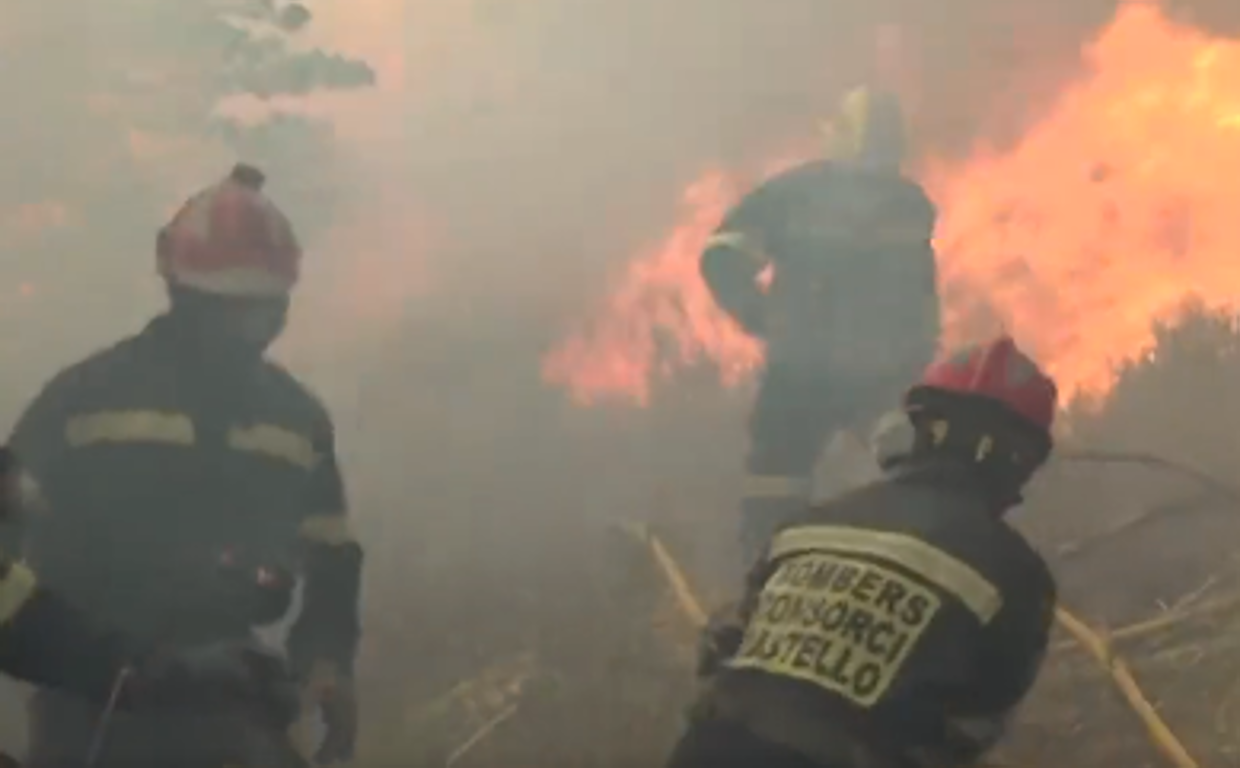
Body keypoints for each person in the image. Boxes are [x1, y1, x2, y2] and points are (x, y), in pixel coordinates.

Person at [10, 164, 362, 768]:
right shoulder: (82, 399)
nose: (249, 326)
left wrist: (326, 663)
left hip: (231, 702)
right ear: (184, 294)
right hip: (97, 695)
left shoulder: (296, 418)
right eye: (230, 305)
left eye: (262, 306)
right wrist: (102, 655)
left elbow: (331, 554)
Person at [672, 336, 1059, 768]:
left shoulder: (807, 525)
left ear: (910, 430)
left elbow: (726, 645)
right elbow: (972, 724)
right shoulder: (1016, 574)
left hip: (709, 748)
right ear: (1019, 464)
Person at [700, 85, 941, 561]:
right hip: (815, 375)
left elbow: (920, 290)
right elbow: (723, 255)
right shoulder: (799, 195)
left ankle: (883, 575)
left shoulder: (905, 203)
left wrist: (917, 355)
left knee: (911, 480)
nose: (878, 153)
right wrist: (762, 315)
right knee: (779, 488)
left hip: (863, 378)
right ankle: (769, 584)